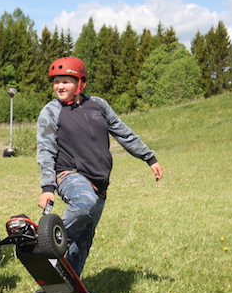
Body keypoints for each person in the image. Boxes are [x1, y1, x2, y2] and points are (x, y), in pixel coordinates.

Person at [36, 57, 163, 277]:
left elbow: (124, 133)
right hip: (70, 174)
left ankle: (67, 284)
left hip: (100, 183)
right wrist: (48, 187)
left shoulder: (99, 105)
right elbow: (46, 149)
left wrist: (149, 158)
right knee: (84, 201)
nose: (59, 86)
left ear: (80, 83)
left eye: (65, 81)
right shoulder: (51, 111)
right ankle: (49, 242)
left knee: (83, 241)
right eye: (56, 82)